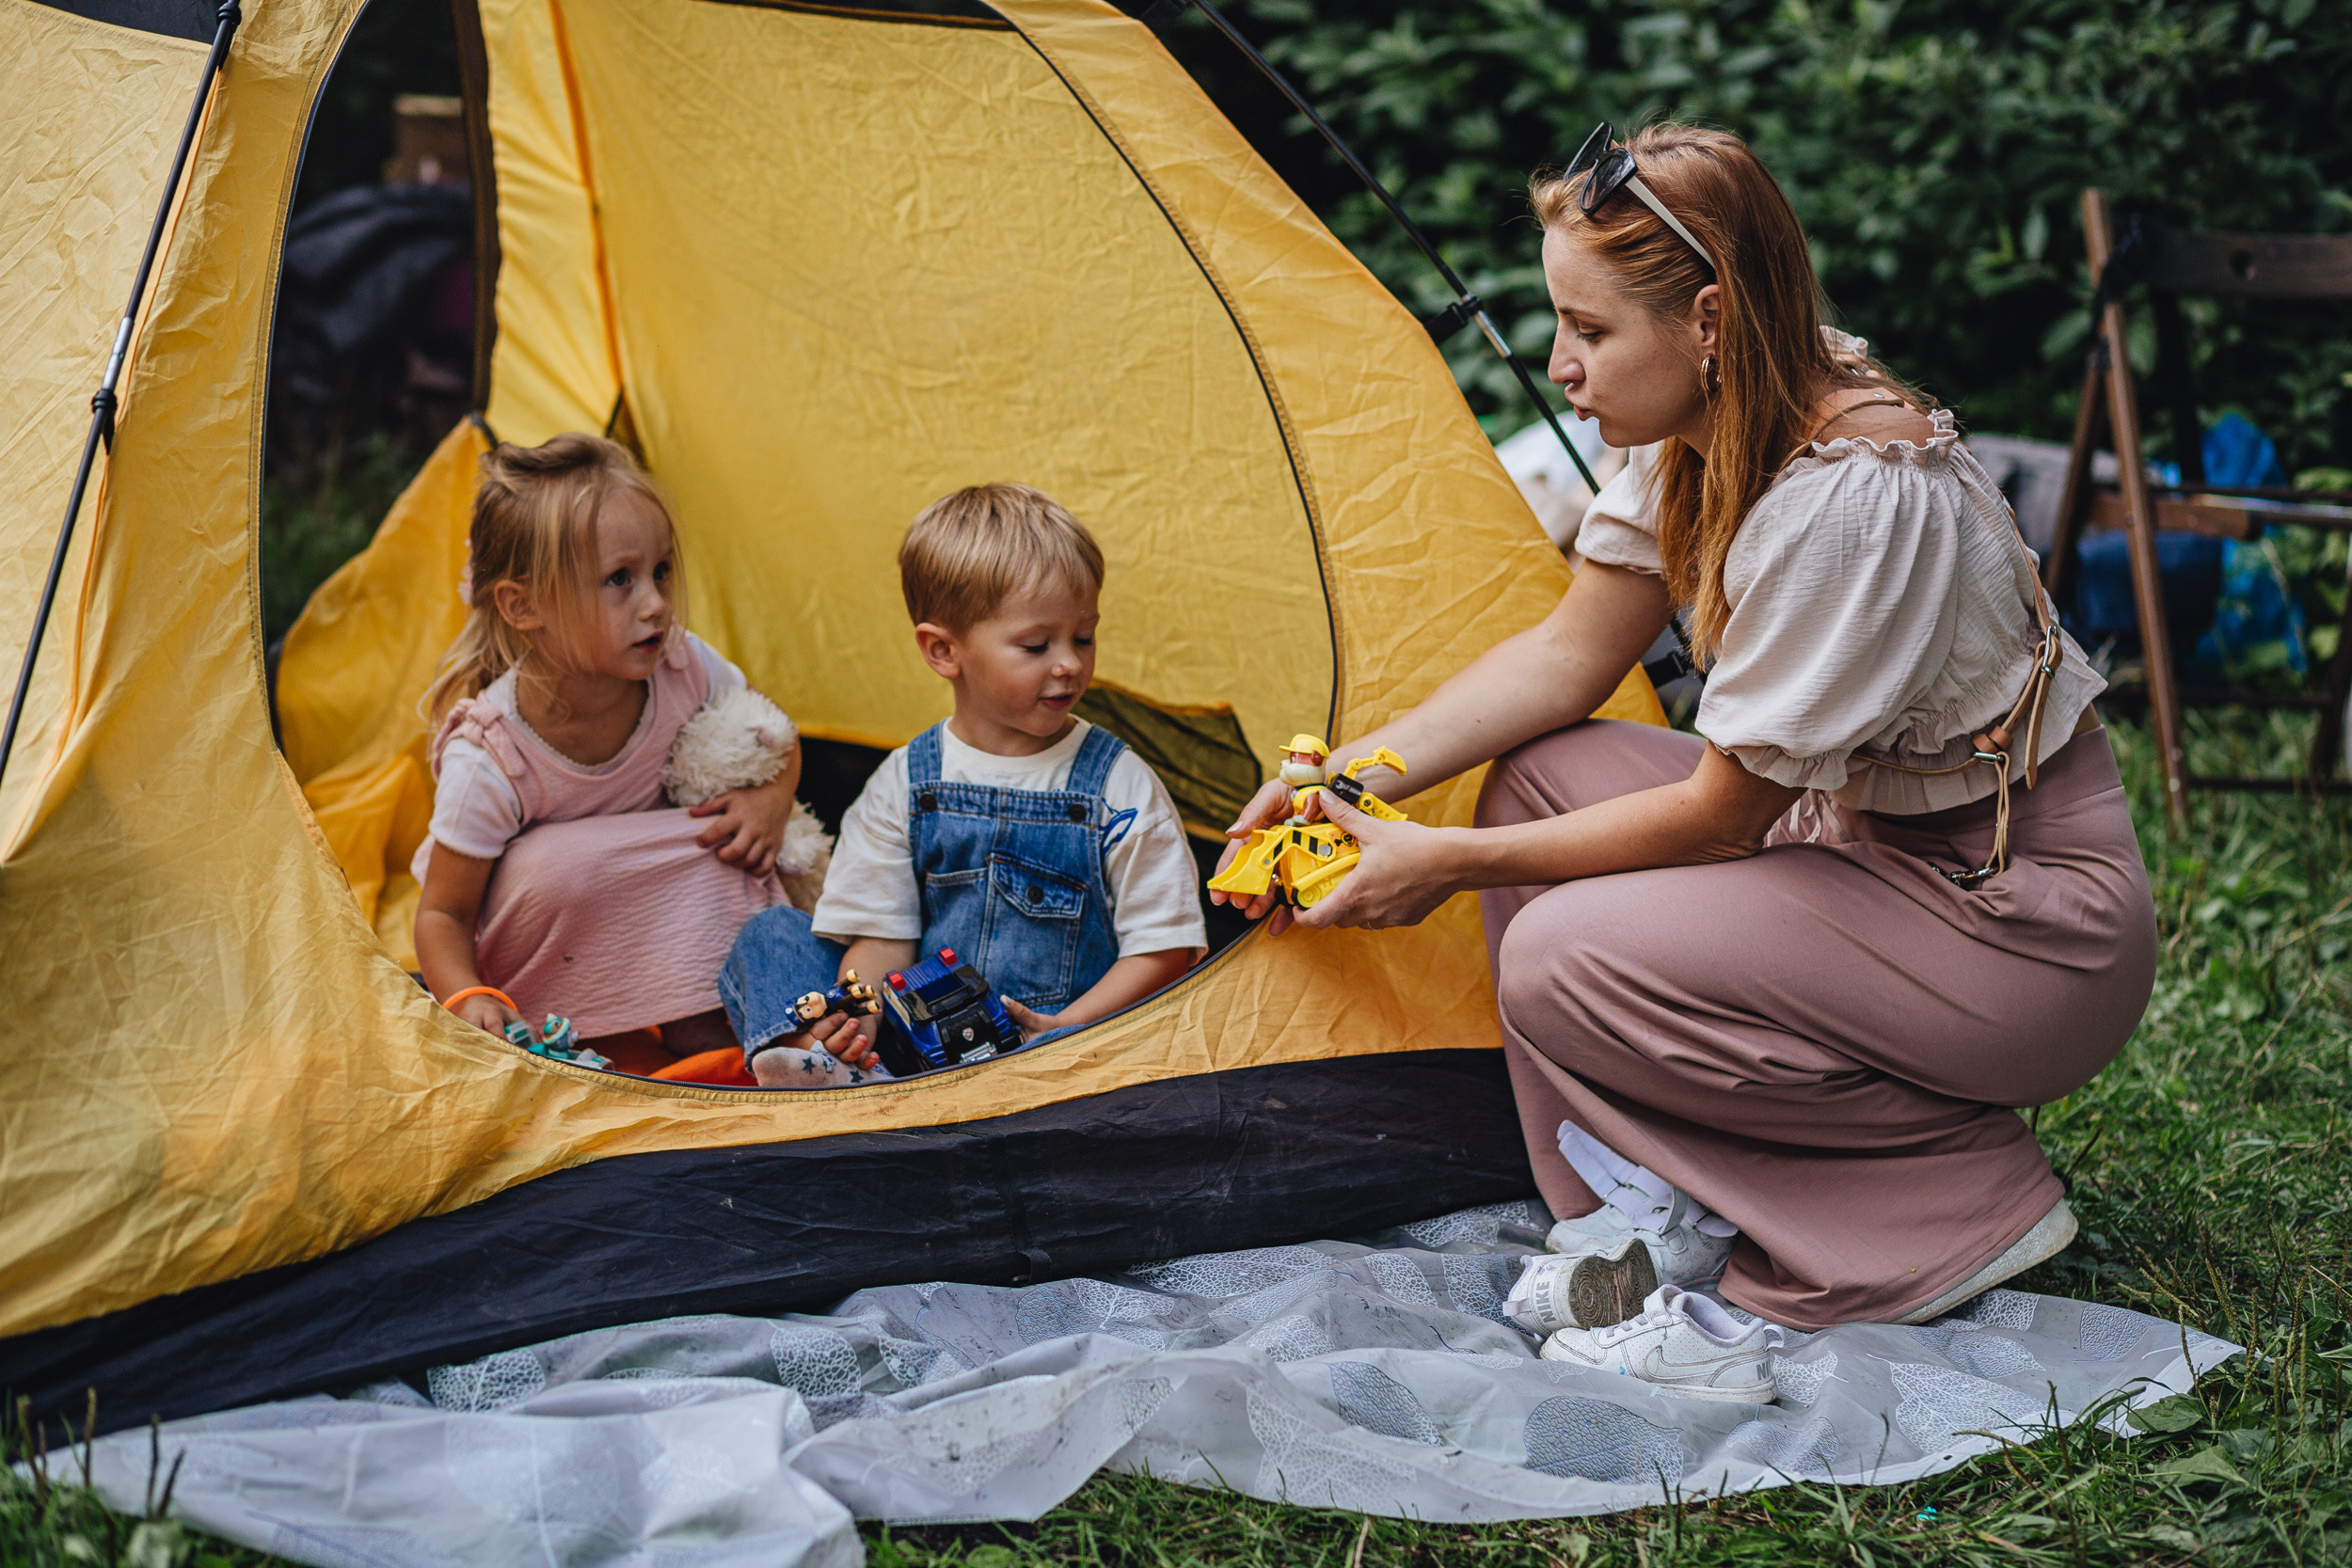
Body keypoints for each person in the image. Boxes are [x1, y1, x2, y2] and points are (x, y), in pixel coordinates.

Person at [1213, 123, 2156, 1388]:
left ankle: (1932, 1208)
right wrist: (1352, 777)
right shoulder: (1713, 415)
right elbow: (1567, 654)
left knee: (1559, 950)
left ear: (1708, 317)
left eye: (1589, 331)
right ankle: (1650, 1203)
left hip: (2018, 924)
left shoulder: (1853, 497)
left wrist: (1448, 861)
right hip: (1861, 853)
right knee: (1539, 779)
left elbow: (1722, 816)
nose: (1563, 364)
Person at [723, 483, 1207, 1088]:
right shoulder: (905, 780)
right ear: (943, 651)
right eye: (1037, 645)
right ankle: (830, 1069)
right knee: (771, 934)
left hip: (1064, 1054)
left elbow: (1167, 949)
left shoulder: (1118, 784)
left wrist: (1064, 1028)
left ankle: (854, 1099)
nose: (1071, 664)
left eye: (1084, 637)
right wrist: (860, 1016)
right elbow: (883, 939)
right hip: (920, 1058)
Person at [413, 435, 798, 1063]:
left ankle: (701, 1016)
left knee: (724, 841)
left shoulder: (681, 664)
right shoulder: (490, 753)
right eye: (620, 579)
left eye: (662, 571)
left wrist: (772, 800)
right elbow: (443, 916)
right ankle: (586, 1022)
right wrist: (467, 996)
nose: (655, 603)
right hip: (539, 955)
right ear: (524, 605)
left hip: (654, 923)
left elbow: (774, 730)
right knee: (558, 866)